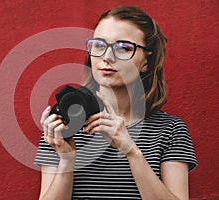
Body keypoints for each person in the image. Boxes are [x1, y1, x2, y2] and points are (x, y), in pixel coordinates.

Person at [35, 6, 197, 200]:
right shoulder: (62, 125)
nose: (107, 57)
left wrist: (131, 151)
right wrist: (67, 159)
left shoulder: (170, 130)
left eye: (124, 48)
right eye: (98, 45)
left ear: (147, 61)